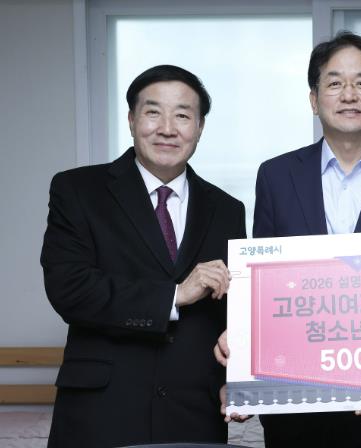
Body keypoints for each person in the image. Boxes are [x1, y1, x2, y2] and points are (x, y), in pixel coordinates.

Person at [216, 32, 361, 447]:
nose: (349, 95)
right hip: (296, 403)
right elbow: (263, 285)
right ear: (313, 98)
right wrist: (245, 359)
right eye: (335, 83)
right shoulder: (276, 176)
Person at [41, 65, 246, 448]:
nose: (167, 128)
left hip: (195, 412)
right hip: (102, 411)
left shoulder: (227, 209)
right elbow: (70, 289)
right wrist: (175, 295)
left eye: (182, 115)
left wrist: (235, 380)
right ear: (132, 120)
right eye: (153, 112)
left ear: (200, 127)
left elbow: (232, 313)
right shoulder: (78, 190)